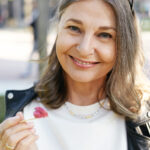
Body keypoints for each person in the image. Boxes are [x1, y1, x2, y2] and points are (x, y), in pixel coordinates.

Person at [0, 0, 150, 149]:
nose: (84, 49)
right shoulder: (22, 117)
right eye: (74, 28)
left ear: (125, 43)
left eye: (104, 35)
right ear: (59, 27)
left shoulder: (144, 122)